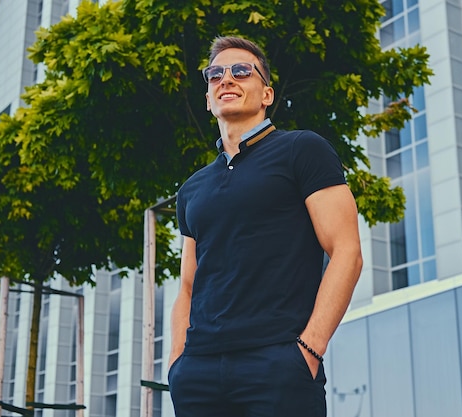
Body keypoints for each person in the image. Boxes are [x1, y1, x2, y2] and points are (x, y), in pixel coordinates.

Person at [168, 35, 363, 417]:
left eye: (241, 71)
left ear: (267, 94)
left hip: (278, 366)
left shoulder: (302, 150)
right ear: (208, 100)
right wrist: (178, 362)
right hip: (199, 374)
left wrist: (308, 350)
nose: (226, 79)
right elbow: (189, 284)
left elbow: (347, 252)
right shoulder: (191, 189)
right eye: (215, 75)